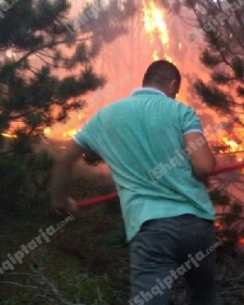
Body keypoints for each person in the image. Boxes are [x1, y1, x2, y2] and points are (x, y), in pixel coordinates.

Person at [51, 60, 221, 305]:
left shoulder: (104, 117)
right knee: (203, 298)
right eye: (176, 91)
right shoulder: (180, 111)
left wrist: (60, 202)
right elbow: (204, 165)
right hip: (196, 224)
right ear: (173, 85)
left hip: (150, 227)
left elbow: (63, 160)